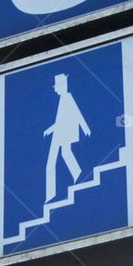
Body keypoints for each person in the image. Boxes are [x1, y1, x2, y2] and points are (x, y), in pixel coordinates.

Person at [43, 73, 90, 202]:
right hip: (59, 132)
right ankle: (77, 174)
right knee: (60, 156)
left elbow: (77, 113)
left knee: (52, 162)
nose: (55, 89)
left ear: (62, 86)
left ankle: (52, 193)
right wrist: (50, 129)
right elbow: (60, 120)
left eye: (57, 86)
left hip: (63, 133)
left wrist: (85, 127)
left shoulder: (67, 98)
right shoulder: (63, 99)